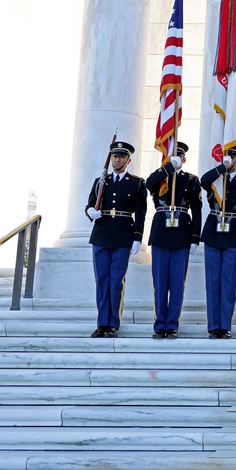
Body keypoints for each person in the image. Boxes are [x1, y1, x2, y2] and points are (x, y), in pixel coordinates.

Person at [84, 140, 147, 338]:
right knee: (101, 280)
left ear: (129, 160)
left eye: (121, 156)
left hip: (122, 235)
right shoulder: (101, 181)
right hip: (101, 234)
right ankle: (102, 323)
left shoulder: (137, 183)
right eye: (114, 156)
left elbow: (141, 213)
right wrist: (90, 212)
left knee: (116, 281)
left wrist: (138, 237)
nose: (117, 159)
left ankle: (112, 324)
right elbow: (90, 203)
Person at [145, 141, 202, 339]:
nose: (177, 159)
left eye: (179, 156)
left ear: (184, 159)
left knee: (177, 282)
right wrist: (168, 168)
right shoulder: (160, 178)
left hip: (182, 233)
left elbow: (196, 209)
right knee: (160, 282)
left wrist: (196, 237)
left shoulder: (192, 180)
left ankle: (172, 323)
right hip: (161, 231)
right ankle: (160, 323)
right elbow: (148, 183)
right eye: (172, 156)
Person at [200, 144, 236, 339]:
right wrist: (222, 167)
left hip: (233, 234)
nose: (230, 160)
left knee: (229, 283)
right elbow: (203, 180)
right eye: (226, 157)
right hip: (213, 233)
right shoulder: (215, 180)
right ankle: (213, 326)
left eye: (232, 158)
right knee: (213, 282)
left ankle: (225, 326)